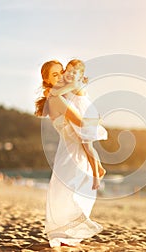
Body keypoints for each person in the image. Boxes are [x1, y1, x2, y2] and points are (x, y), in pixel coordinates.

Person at [35, 60, 105, 248]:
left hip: (70, 151)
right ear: (47, 80)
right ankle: (66, 234)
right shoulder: (56, 97)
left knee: (69, 192)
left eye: (61, 73)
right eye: (55, 75)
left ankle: (67, 236)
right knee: (71, 193)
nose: (60, 77)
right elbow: (81, 122)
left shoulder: (61, 95)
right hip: (72, 154)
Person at [45, 59, 107, 190]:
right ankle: (99, 170)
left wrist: (51, 92)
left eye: (74, 72)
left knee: (88, 146)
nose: (70, 74)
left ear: (80, 76)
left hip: (86, 114)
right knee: (86, 145)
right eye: (68, 70)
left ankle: (97, 175)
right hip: (83, 114)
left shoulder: (74, 84)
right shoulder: (71, 83)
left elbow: (56, 93)